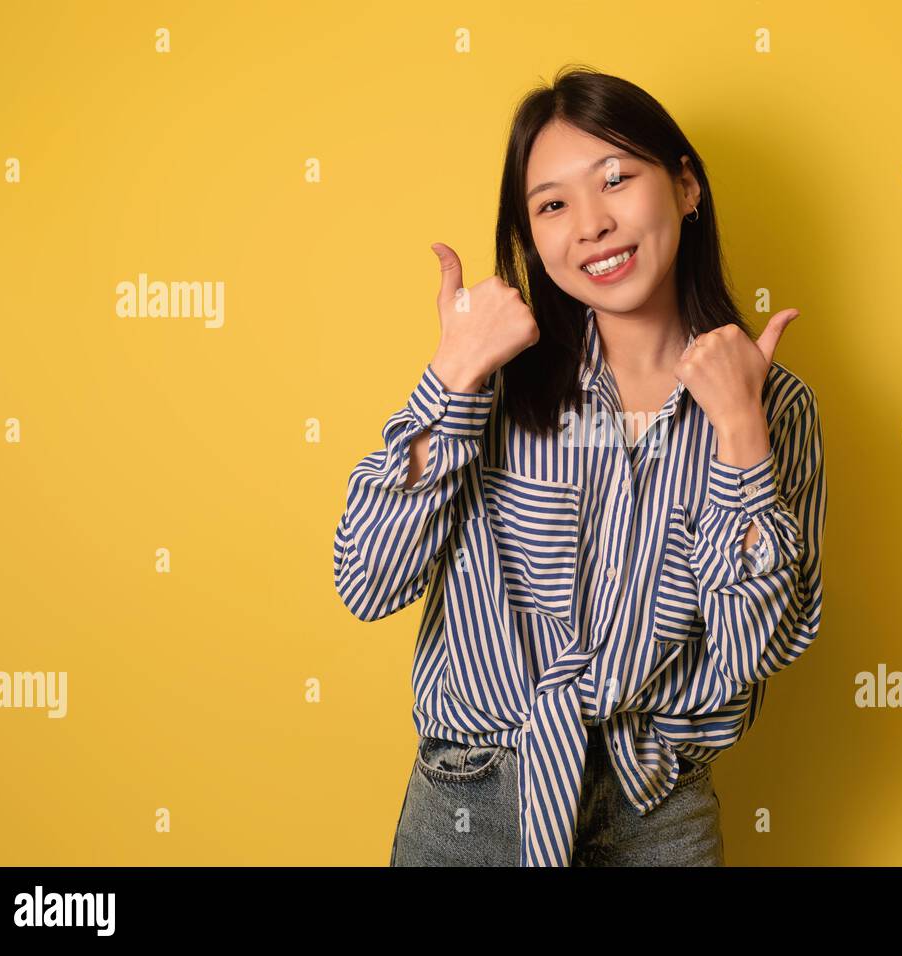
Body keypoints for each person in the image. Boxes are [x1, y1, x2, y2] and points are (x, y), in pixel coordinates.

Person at [332, 65, 827, 867]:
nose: (591, 224)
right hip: (474, 798)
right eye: (553, 204)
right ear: (531, 238)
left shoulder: (775, 407)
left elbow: (752, 648)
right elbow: (367, 580)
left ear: (687, 187)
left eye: (617, 179)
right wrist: (451, 378)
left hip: (655, 806)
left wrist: (739, 426)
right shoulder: (491, 382)